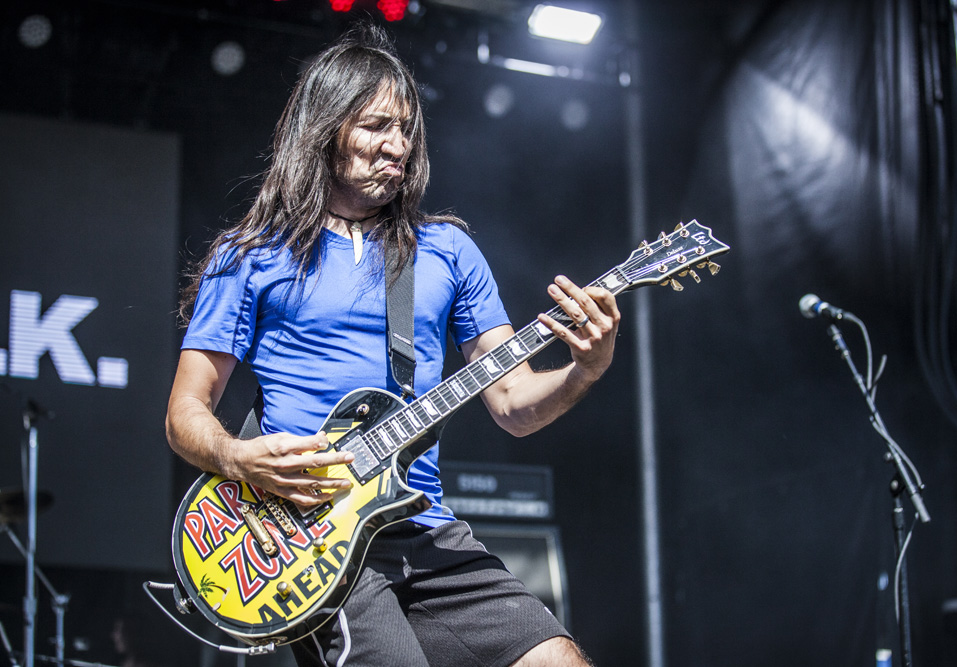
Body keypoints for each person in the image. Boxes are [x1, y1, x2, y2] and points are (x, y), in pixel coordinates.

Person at [166, 23, 619, 667]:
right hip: (310, 539)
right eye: (377, 126)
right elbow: (185, 412)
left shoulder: (446, 251)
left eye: (406, 130)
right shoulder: (252, 257)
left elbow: (515, 405)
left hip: (426, 528)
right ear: (326, 130)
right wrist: (238, 458)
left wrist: (584, 368)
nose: (398, 146)